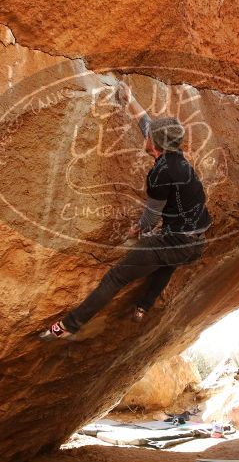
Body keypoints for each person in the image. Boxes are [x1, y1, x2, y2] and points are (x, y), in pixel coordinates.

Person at [40, 82, 212, 340]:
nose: (146, 136)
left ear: (155, 145)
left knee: (116, 277)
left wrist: (139, 228)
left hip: (177, 242)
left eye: (149, 137)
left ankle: (67, 326)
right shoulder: (176, 158)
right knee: (167, 263)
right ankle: (143, 305)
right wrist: (130, 98)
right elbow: (147, 124)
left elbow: (152, 215)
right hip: (198, 240)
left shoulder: (160, 173)